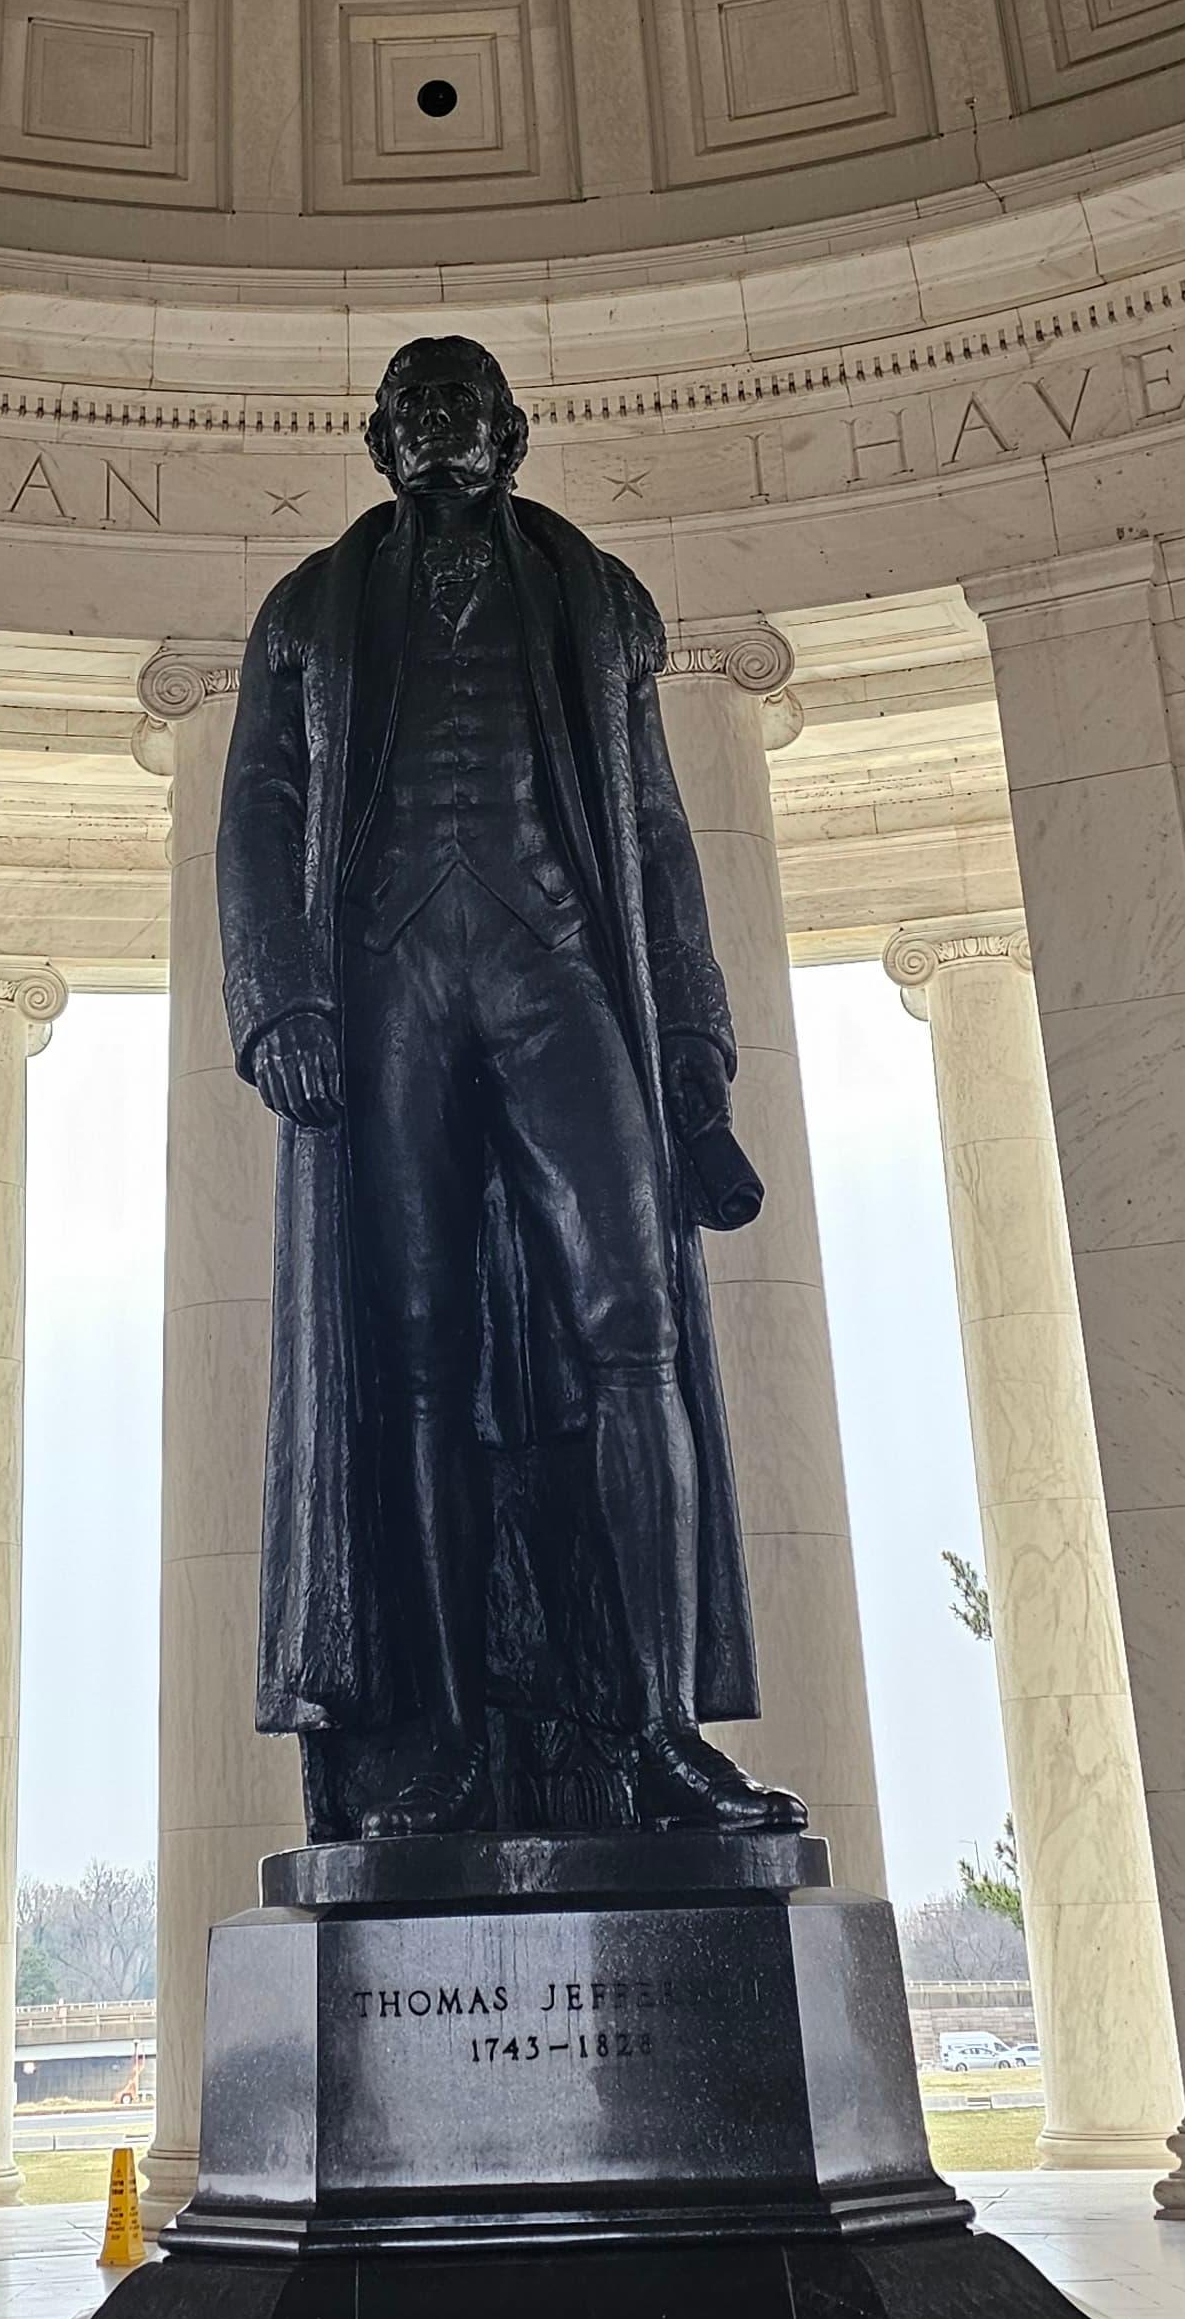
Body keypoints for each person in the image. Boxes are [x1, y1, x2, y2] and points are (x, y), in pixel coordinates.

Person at [216, 335, 805, 1840]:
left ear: (514, 431)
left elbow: (659, 836)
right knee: (413, 1364)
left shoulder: (600, 601)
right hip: (390, 986)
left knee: (635, 1330)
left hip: (558, 967)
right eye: (409, 405)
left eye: (461, 401)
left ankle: (657, 1729)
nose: (435, 424)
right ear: (376, 439)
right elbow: (259, 813)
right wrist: (280, 995)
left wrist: (695, 1065)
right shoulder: (305, 614)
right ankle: (453, 1739)